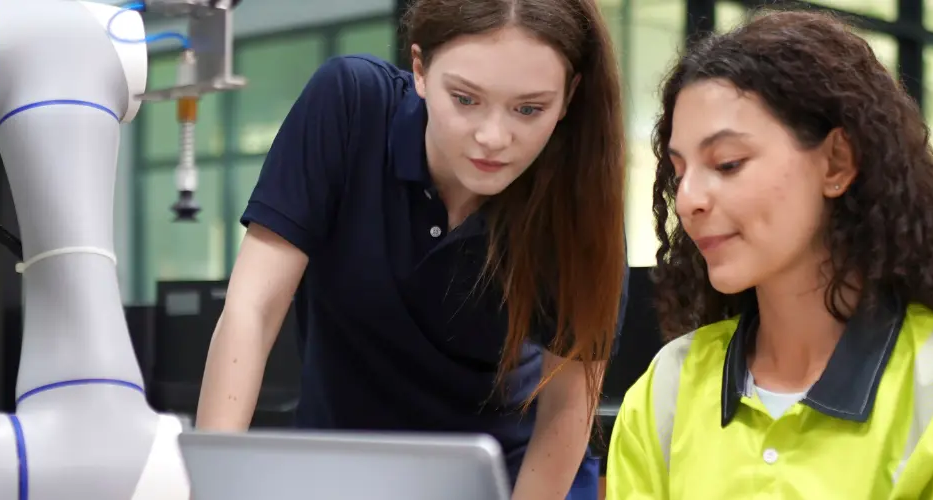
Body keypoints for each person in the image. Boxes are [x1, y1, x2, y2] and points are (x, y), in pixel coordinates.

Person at [604, 9, 933, 499]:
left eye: (727, 164)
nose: (688, 200)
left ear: (837, 162)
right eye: (679, 171)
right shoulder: (667, 389)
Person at [193, 0, 628, 498]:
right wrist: (211, 484)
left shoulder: (576, 199)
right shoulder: (351, 107)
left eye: (529, 109)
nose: (492, 137)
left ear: (568, 97)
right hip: (339, 469)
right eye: (465, 99)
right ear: (420, 70)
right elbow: (252, 309)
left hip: (512, 478)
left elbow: (567, 406)